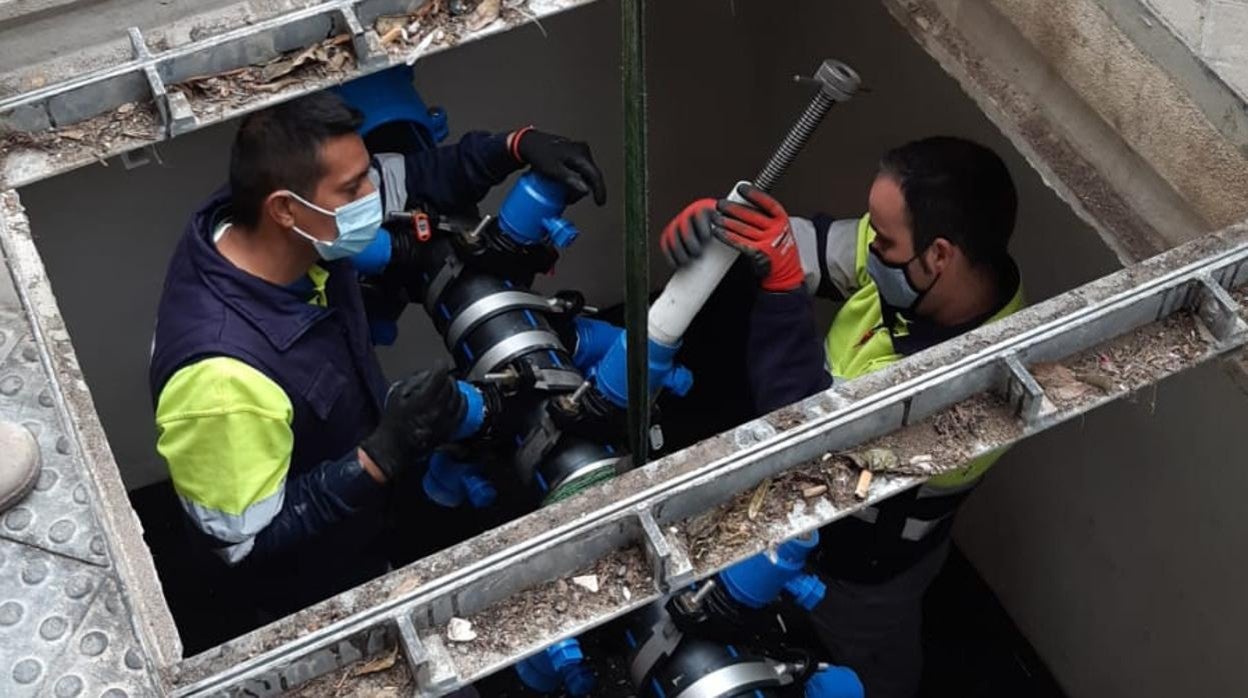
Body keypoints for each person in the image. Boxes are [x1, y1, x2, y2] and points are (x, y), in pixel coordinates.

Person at [148, 90, 605, 629]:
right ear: (285, 210)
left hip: (366, 511)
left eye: (364, 174)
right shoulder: (220, 380)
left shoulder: (271, 216)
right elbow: (242, 545)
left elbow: (409, 177)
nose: (374, 194)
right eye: (353, 188)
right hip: (301, 595)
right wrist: (379, 455)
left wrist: (513, 147)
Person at [660, 136, 1023, 697]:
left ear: (940, 255)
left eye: (884, 236)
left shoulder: (971, 393)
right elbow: (820, 245)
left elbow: (806, 444)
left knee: (871, 671)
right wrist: (727, 232)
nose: (869, 243)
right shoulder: (920, 273)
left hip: (863, 572)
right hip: (819, 527)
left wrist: (781, 290)